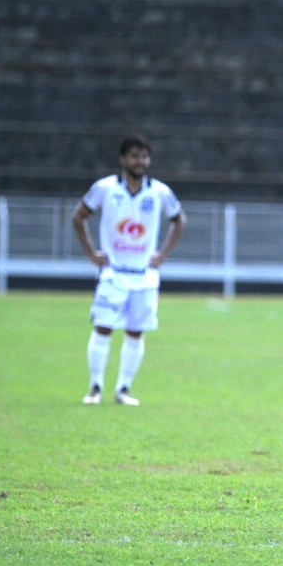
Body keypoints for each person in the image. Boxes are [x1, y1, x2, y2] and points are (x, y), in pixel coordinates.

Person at [71, 134, 186, 406]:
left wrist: (163, 255)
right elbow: (78, 216)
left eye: (144, 156)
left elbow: (179, 220)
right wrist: (91, 253)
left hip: (144, 277)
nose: (140, 161)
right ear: (123, 159)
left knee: (135, 332)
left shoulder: (159, 192)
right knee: (103, 328)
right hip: (113, 275)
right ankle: (95, 388)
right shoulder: (105, 188)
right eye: (135, 156)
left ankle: (123, 389)